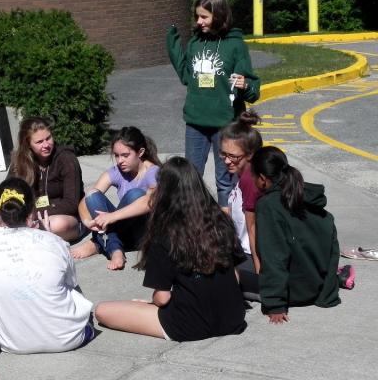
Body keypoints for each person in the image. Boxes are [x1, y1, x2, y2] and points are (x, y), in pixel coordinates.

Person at [95, 157, 247, 342]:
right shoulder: (221, 221)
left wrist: (151, 303)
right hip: (233, 317)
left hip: (189, 324)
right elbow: (236, 277)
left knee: (102, 311)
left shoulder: (165, 232)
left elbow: (162, 298)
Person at [0, 177, 93, 380]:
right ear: (32, 211)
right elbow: (70, 285)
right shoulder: (55, 241)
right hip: (70, 338)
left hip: (12, 344)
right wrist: (49, 237)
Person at [167, 0, 260, 209]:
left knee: (225, 182)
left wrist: (245, 85)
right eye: (197, 16)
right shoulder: (195, 43)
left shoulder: (235, 45)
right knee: (190, 181)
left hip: (225, 125)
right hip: (196, 122)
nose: (199, 22)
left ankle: (228, 232)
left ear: (218, 15)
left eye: (204, 17)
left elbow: (253, 90)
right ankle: (192, 229)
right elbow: (185, 76)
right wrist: (172, 42)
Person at [251, 146, 354, 324]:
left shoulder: (268, 205)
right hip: (318, 288)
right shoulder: (306, 198)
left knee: (235, 273)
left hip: (292, 294)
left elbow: (274, 255)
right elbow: (332, 250)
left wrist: (275, 305)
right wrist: (328, 295)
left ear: (262, 178)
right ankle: (340, 278)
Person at [71, 127, 160, 270]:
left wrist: (112, 216)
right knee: (93, 194)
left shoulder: (153, 172)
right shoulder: (117, 171)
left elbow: (148, 203)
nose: (120, 161)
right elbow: (88, 198)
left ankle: (99, 243)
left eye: (125, 155)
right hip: (122, 230)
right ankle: (115, 249)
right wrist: (87, 221)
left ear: (141, 152)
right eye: (117, 155)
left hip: (144, 233)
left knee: (136, 194)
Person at [7, 117, 84, 242]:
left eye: (48, 138)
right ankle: (25, 234)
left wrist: (31, 212)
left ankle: (20, 235)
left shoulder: (66, 159)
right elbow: (6, 194)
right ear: (28, 144)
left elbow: (71, 204)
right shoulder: (20, 161)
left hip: (63, 216)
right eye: (39, 142)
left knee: (58, 223)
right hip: (29, 215)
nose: (46, 145)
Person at [220, 110, 263, 300]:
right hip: (241, 251)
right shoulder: (240, 174)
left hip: (250, 256)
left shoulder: (251, 181)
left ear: (251, 154)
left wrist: (261, 274)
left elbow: (253, 229)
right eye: (223, 154)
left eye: (233, 156)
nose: (227, 160)